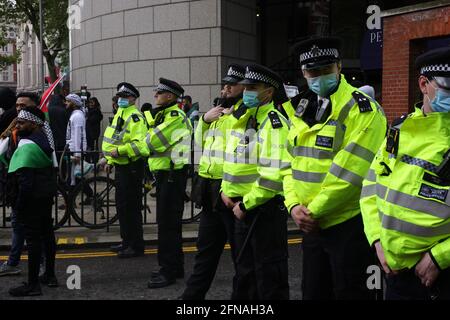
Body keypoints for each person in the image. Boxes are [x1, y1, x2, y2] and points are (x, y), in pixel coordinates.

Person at [283, 37, 387, 300]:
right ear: (304, 73)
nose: (319, 77)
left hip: (346, 224)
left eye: (326, 70)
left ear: (339, 67)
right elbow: (287, 163)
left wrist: (311, 212)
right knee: (313, 292)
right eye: (312, 72)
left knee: (350, 293)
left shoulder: (362, 109)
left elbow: (350, 172)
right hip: (311, 225)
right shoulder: (301, 108)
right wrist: (293, 205)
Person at [360, 46, 450, 300]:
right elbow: (370, 186)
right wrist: (377, 240)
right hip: (396, 273)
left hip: (439, 275)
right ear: (424, 84)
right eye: (449, 85)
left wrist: (439, 257)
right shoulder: (398, 129)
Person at [220, 64, 291, 300]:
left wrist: (246, 204)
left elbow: (273, 175)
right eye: (246, 87)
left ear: (268, 92)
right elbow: (231, 158)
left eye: (253, 87)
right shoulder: (245, 118)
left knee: (269, 278)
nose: (247, 91)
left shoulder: (274, 123)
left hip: (261, 211)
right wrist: (224, 189)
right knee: (245, 274)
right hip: (241, 207)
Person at [181, 64, 246, 300]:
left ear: (244, 87)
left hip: (230, 191)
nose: (226, 88)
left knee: (241, 256)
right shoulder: (218, 111)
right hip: (210, 191)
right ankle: (190, 300)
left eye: (232, 85)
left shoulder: (240, 114)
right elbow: (200, 142)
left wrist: (228, 118)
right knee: (205, 252)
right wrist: (205, 121)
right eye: (225, 84)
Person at [146, 78, 192, 288]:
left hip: (172, 177)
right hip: (168, 176)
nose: (155, 95)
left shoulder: (174, 117)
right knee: (170, 226)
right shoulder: (166, 115)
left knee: (167, 226)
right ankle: (176, 266)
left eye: (159, 92)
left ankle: (168, 271)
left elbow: (150, 142)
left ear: (170, 96)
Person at [8, 106, 58, 296]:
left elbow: (25, 181)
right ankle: (49, 275)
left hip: (32, 198)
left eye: (21, 122)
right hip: (44, 194)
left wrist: (19, 205)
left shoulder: (28, 144)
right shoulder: (43, 139)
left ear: (34, 123)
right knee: (46, 234)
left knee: (33, 239)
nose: (18, 126)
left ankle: (32, 284)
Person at [102, 83, 148, 258]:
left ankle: (136, 246)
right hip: (121, 166)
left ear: (133, 99)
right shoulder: (121, 113)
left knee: (131, 208)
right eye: (119, 96)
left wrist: (119, 152)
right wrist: (111, 160)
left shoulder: (136, 117)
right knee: (122, 207)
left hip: (132, 168)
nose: (120, 99)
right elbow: (117, 139)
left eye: (124, 97)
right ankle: (126, 241)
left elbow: (140, 146)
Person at [0, 92, 43, 277]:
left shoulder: (39, 131)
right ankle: (13, 262)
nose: (18, 109)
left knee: (35, 229)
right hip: (16, 184)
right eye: (17, 106)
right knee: (18, 225)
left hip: (32, 186)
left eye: (23, 106)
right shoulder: (15, 129)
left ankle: (42, 266)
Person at [64, 93, 89, 186]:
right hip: (73, 149)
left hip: (75, 150)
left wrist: (77, 154)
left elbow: (78, 135)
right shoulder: (75, 115)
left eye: (68, 101)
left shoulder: (77, 116)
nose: (65, 103)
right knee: (76, 176)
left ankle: (90, 195)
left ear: (74, 103)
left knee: (75, 176)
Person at [86, 97, 103, 164]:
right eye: (89, 102)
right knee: (89, 148)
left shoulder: (96, 112)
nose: (91, 104)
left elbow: (92, 120)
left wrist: (88, 116)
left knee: (94, 149)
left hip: (94, 134)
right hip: (89, 133)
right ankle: (89, 162)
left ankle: (94, 163)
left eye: (92, 102)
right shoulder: (89, 111)